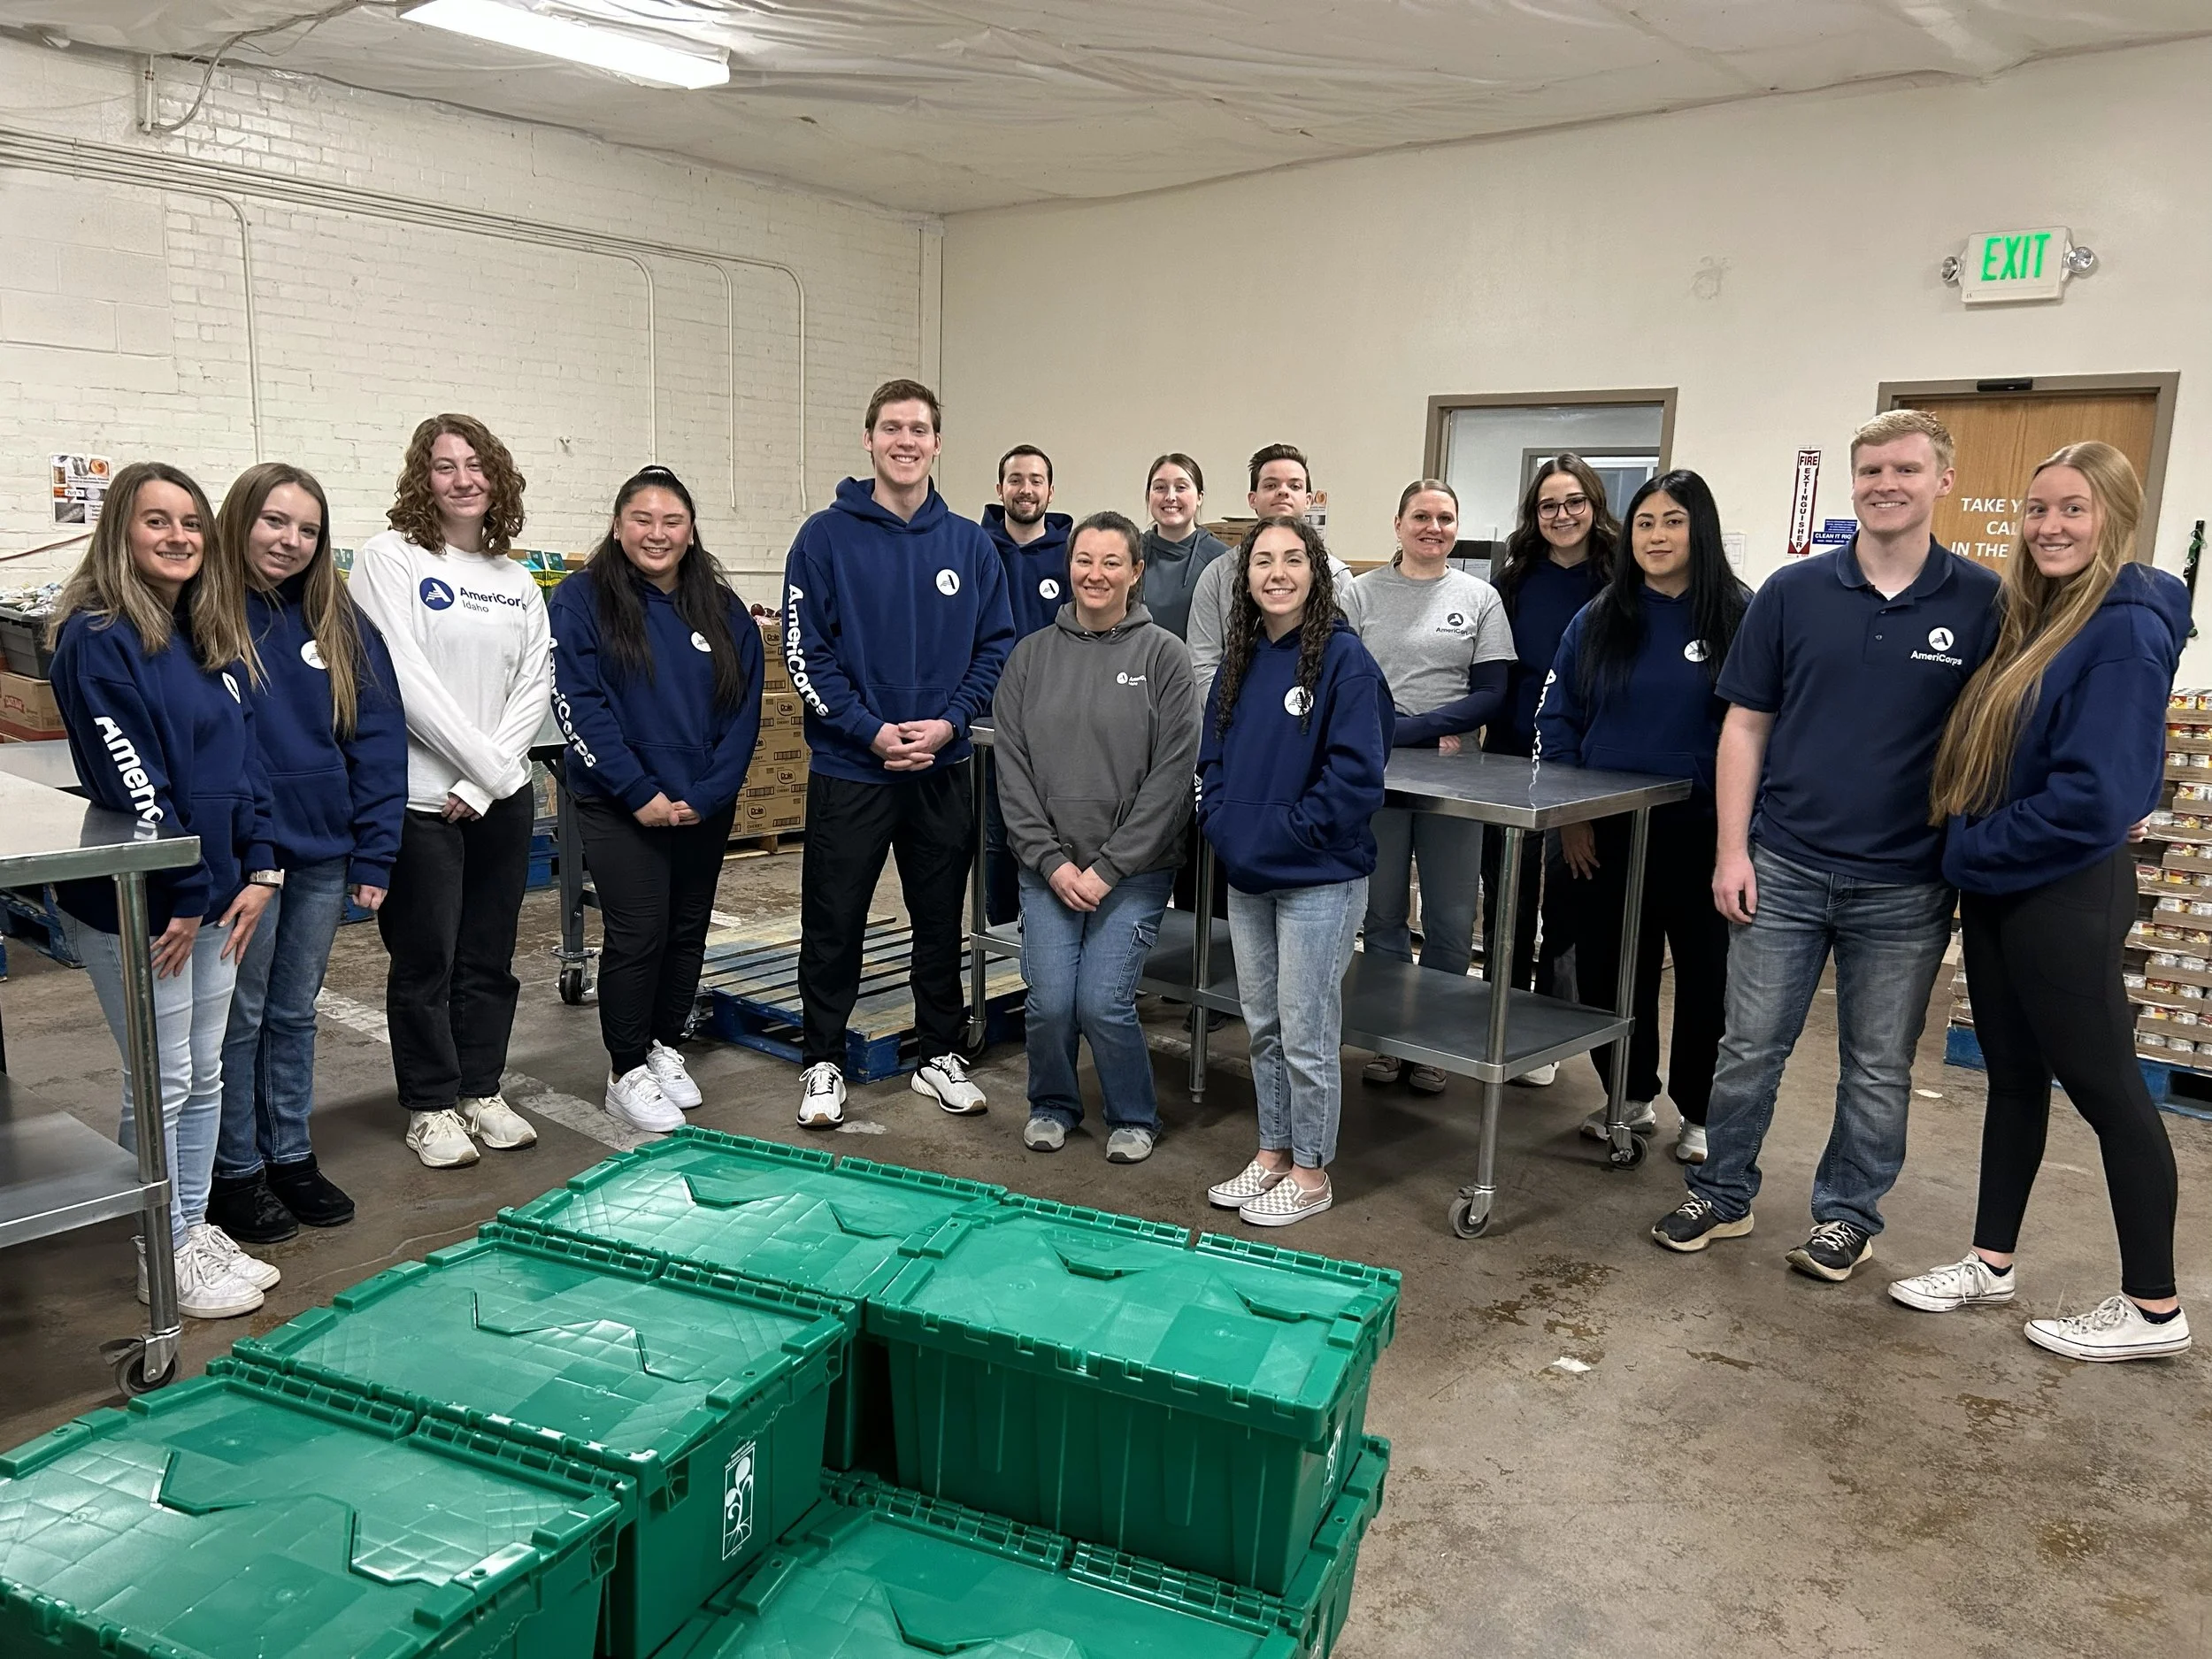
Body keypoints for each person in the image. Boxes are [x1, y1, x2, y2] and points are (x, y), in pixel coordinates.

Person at [1653, 410, 2002, 1279]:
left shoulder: (1984, 602)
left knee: (1878, 1065)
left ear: (1941, 482)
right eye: (1871, 470)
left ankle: (1846, 1215)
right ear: (1852, 482)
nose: (1887, 484)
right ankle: (1722, 1194)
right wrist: (1732, 851)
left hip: (1907, 883)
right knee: (1748, 1047)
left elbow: (2010, 729)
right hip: (1786, 866)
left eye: (1906, 470)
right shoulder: (1791, 594)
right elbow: (1745, 726)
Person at [1891, 443, 2191, 1361]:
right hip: (2001, 886)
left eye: (2072, 509)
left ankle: (2152, 1309)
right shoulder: (2043, 616)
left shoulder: (2125, 624)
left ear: (2115, 517)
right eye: (2037, 510)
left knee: (2109, 1094)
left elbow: (2096, 797)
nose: (2049, 528)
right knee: (2013, 1080)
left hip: (2058, 889)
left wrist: (1972, 846)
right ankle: (1991, 1260)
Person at [46, 461, 279, 1319]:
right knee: (164, 1083)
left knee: (205, 1076)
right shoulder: (97, 639)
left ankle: (188, 1227)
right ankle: (159, 1248)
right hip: (148, 908)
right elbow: (133, 782)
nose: (179, 535)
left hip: (214, 897)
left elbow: (241, 768)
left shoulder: (204, 634)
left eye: (191, 521)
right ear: (120, 531)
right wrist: (185, 891)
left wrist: (259, 868)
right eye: (156, 521)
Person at [783, 378, 1015, 1128]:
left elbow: (995, 649)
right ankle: (822, 1061)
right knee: (834, 918)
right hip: (853, 769)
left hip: (942, 769)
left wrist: (948, 724)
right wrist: (869, 730)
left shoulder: (970, 545)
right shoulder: (823, 538)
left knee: (939, 917)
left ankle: (939, 1055)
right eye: (892, 428)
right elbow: (804, 654)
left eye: (919, 429)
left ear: (938, 443)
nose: (905, 441)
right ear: (869, 439)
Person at [204, 463, 405, 1245]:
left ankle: (290, 1154)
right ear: (240, 520)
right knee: (241, 1017)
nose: (290, 541)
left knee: (293, 1013)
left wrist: (376, 854)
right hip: (244, 864)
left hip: (324, 853)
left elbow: (379, 741)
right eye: (274, 522)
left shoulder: (341, 623)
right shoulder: (207, 615)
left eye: (308, 529)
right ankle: (234, 1170)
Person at [350, 414, 553, 1171]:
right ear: (420, 478)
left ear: (496, 477)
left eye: (476, 465)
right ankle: (430, 1104)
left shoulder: (514, 578)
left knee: (489, 956)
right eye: (444, 466)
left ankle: (481, 1088)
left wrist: (489, 780)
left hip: (495, 795)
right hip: (420, 799)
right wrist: (483, 773)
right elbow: (401, 680)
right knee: (425, 957)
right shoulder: (390, 558)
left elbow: (534, 686)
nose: (463, 478)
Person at [1537, 470, 1747, 1164]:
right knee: (1607, 968)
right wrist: (1571, 817)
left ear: (1701, 530)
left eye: (1674, 521)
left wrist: (1738, 839)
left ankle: (1700, 1110)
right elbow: (1558, 720)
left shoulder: (1738, 617)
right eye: (1646, 523)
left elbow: (1764, 730)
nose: (1657, 536)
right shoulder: (1600, 616)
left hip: (1702, 830)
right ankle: (1628, 1093)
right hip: (1604, 829)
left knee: (1704, 976)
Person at [550, 465, 764, 1133]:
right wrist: (639, 792)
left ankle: (661, 1045)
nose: (657, 533)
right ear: (617, 527)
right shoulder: (582, 600)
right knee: (638, 932)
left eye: (672, 521)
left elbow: (745, 711)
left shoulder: (722, 609)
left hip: (702, 806)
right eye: (642, 519)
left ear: (691, 531)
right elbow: (577, 704)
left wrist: (706, 795)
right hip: (620, 806)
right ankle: (623, 1070)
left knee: (685, 931)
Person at [1198, 517, 1394, 1225]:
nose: (1276, 573)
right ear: (1244, 577)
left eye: (1291, 560)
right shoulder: (1240, 659)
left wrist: (1285, 833)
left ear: (1314, 572)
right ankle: (1273, 1150)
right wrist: (1225, 826)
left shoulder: (1345, 663)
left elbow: (1356, 779)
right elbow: (1210, 763)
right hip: (1248, 874)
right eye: (1261, 562)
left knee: (1306, 1026)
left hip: (1320, 878)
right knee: (1263, 1024)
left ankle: (1311, 1172)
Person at [992, 511, 1199, 1163]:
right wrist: (1051, 862)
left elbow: (1171, 779)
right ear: (1069, 565)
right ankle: (1052, 1103)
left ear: (1136, 572)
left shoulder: (1165, 657)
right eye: (1085, 559)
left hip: (1132, 872)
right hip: (1049, 868)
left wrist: (1109, 867)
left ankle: (1133, 1115)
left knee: (1103, 1002)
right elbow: (1013, 771)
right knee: (1051, 1001)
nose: (1096, 574)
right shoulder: (1029, 657)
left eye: (1113, 562)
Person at [1355, 479, 1514, 1092]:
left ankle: (1435, 1043)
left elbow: (1492, 692)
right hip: (1376, 779)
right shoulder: (1359, 594)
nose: (1433, 527)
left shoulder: (1480, 598)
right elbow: (1344, 682)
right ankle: (1390, 1037)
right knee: (1383, 910)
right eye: (1420, 516)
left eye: (1445, 517)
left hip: (1456, 780)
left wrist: (1413, 729)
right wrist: (1406, 736)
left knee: (1450, 918)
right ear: (1397, 524)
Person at [1482, 454, 1619, 1085]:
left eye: (1573, 502)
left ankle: (1546, 1030)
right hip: (1511, 751)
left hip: (1586, 761)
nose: (1562, 515)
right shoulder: (1513, 579)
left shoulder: (1619, 576)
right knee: (1507, 889)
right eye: (1548, 505)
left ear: (1593, 503)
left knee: (1569, 895)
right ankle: (1496, 1013)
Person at [1187, 444, 1363, 710]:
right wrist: (1234, 714)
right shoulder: (1218, 576)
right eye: (1271, 485)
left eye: (1294, 486)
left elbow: (1347, 669)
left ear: (1307, 500)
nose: (1283, 491)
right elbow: (1202, 663)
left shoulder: (1337, 578)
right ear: (1252, 499)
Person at [979, 445, 1072, 926]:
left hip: (1058, 726)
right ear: (1000, 489)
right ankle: (997, 944)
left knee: (1058, 835)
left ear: (1050, 491)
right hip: (992, 726)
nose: (1026, 489)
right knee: (996, 838)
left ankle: (1053, 941)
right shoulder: (974, 548)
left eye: (1036, 480)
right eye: (1016, 479)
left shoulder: (1071, 556)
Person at [1138, 452, 1231, 641]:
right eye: (1160, 488)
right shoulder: (1130, 553)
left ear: (1199, 497)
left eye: (1181, 487)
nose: (1170, 497)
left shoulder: (1222, 560)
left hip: (1195, 668)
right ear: (1149, 496)